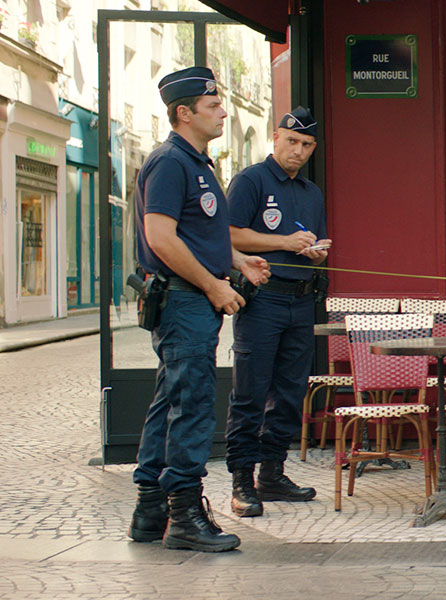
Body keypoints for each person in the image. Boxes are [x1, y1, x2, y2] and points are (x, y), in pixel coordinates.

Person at [129, 67, 271, 552]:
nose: (223, 112)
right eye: (212, 107)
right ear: (184, 113)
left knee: (170, 400)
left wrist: (236, 260)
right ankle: (186, 516)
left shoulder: (197, 164)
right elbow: (160, 238)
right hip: (184, 301)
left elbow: (195, 233)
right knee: (190, 406)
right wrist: (213, 285)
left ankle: (150, 510)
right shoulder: (170, 162)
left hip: (189, 299)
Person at [224, 106, 329, 518]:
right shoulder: (251, 180)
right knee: (250, 392)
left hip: (302, 298)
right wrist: (285, 242)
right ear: (276, 138)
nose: (298, 151)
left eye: (306, 145)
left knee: (289, 392)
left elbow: (312, 246)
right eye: (292, 142)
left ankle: (272, 473)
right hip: (262, 298)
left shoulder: (311, 192)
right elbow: (229, 234)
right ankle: (241, 482)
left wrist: (317, 252)